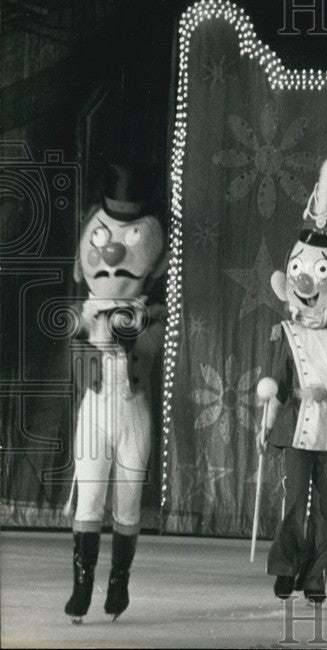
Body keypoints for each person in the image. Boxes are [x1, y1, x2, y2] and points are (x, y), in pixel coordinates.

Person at [255, 151, 327, 605]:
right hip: (296, 428)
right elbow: (277, 383)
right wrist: (266, 424)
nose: (308, 280)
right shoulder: (287, 332)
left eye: (322, 270)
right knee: (293, 501)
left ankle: (316, 575)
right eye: (302, 268)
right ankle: (287, 568)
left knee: (326, 506)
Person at [63, 164, 168, 624]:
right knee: (89, 498)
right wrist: (90, 340)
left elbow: (152, 345)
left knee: (127, 503)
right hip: (96, 414)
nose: (112, 250)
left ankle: (119, 580)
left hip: (133, 413)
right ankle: (82, 583)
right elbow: (75, 358)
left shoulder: (152, 313)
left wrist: (126, 334)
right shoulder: (83, 313)